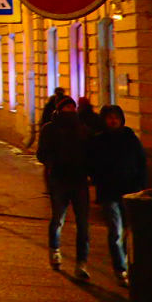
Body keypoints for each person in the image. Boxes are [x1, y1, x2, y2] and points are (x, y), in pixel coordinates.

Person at [89, 104, 147, 287]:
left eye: (116, 117)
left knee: (130, 232)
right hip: (109, 192)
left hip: (130, 191)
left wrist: (140, 186)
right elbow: (92, 165)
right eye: (109, 117)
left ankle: (132, 266)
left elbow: (141, 162)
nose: (113, 120)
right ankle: (120, 269)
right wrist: (99, 181)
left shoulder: (131, 139)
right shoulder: (99, 141)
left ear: (121, 119)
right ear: (104, 120)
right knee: (115, 231)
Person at [37, 96, 92, 280]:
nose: (70, 109)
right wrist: (54, 162)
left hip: (79, 181)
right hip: (59, 179)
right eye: (67, 107)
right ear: (60, 109)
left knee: (83, 224)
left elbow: (89, 152)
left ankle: (82, 263)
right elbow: (42, 153)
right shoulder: (50, 129)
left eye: (72, 107)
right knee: (58, 219)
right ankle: (55, 251)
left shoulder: (82, 128)